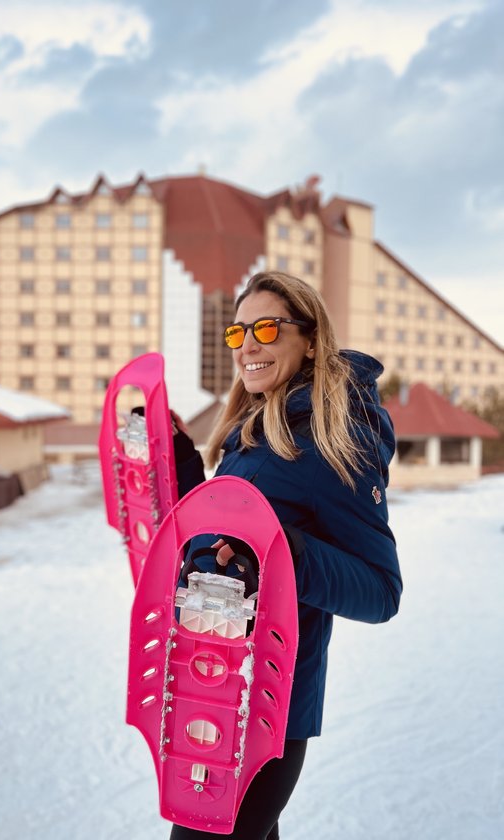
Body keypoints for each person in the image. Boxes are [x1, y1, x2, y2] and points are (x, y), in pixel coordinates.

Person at [169, 270, 402, 840]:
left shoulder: (333, 440)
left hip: (267, 705)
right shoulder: (254, 430)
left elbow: (380, 590)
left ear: (312, 340)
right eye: (238, 332)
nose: (248, 345)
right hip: (213, 679)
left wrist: (285, 554)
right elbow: (221, 547)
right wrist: (182, 468)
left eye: (267, 328)